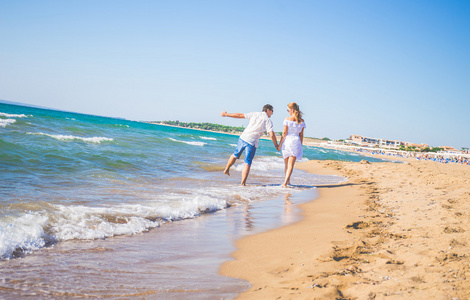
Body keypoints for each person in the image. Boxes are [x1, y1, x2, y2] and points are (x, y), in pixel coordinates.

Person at [221, 104, 279, 186]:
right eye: (272, 111)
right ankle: (243, 183)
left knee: (235, 154)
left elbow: (240, 115)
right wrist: (276, 145)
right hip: (251, 142)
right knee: (247, 163)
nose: (272, 113)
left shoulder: (254, 114)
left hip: (243, 137)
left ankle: (226, 169)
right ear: (268, 110)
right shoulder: (268, 121)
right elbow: (272, 134)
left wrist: (226, 114)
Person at [277, 102, 306, 187]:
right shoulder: (302, 121)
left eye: (288, 110)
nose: (288, 111)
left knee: (286, 164)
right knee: (290, 165)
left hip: (287, 141)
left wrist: (279, 145)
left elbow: (284, 133)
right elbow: (301, 135)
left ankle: (286, 182)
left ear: (292, 110)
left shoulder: (287, 119)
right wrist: (300, 145)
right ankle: (287, 182)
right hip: (296, 142)